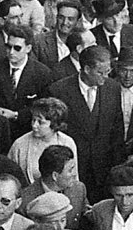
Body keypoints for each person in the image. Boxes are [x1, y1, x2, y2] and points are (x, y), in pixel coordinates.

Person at [48, 45, 125, 202]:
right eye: (101, 72)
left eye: (108, 72)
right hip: (74, 171)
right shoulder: (59, 91)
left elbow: (117, 130)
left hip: (104, 171)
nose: (105, 76)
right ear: (87, 69)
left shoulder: (113, 88)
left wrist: (117, 167)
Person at [7, 96, 79, 186]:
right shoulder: (20, 144)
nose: (34, 125)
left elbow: (73, 178)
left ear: (54, 124)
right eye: (33, 120)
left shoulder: (67, 143)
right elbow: (10, 178)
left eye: (40, 122)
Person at [18, 144, 88, 230]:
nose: (74, 174)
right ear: (55, 176)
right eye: (70, 170)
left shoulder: (78, 190)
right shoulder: (25, 202)